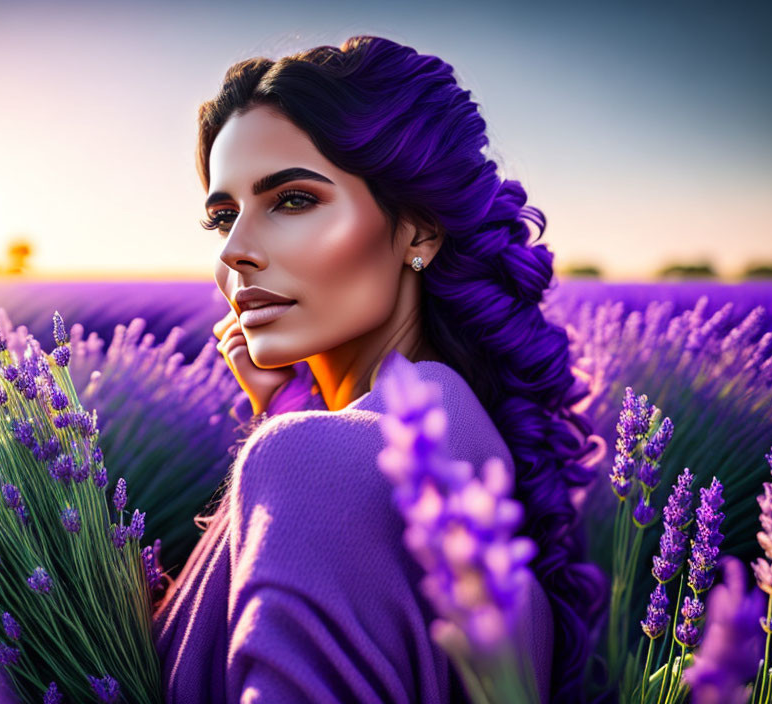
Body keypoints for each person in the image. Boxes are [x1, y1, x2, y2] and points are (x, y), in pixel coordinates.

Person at [153, 35, 606, 704]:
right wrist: (286, 404)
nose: (237, 253)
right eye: (223, 217)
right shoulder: (465, 434)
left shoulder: (315, 462)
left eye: (293, 200)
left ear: (418, 231)